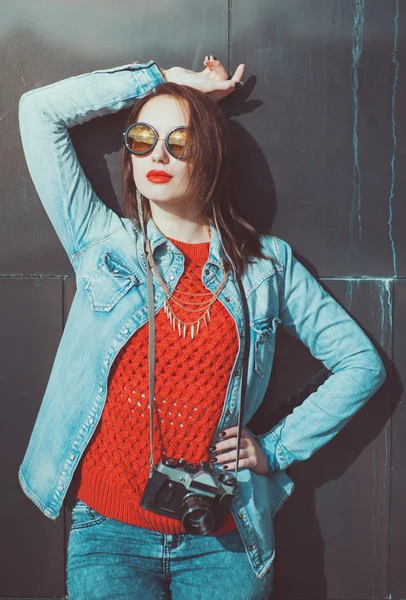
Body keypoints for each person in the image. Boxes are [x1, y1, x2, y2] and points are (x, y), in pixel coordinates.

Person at [17, 55, 386, 600]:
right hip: (109, 538)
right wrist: (162, 81)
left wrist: (277, 448)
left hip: (225, 544)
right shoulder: (103, 244)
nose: (158, 154)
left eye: (180, 142)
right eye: (143, 138)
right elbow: (38, 110)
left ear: (209, 156)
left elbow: (361, 365)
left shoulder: (266, 266)